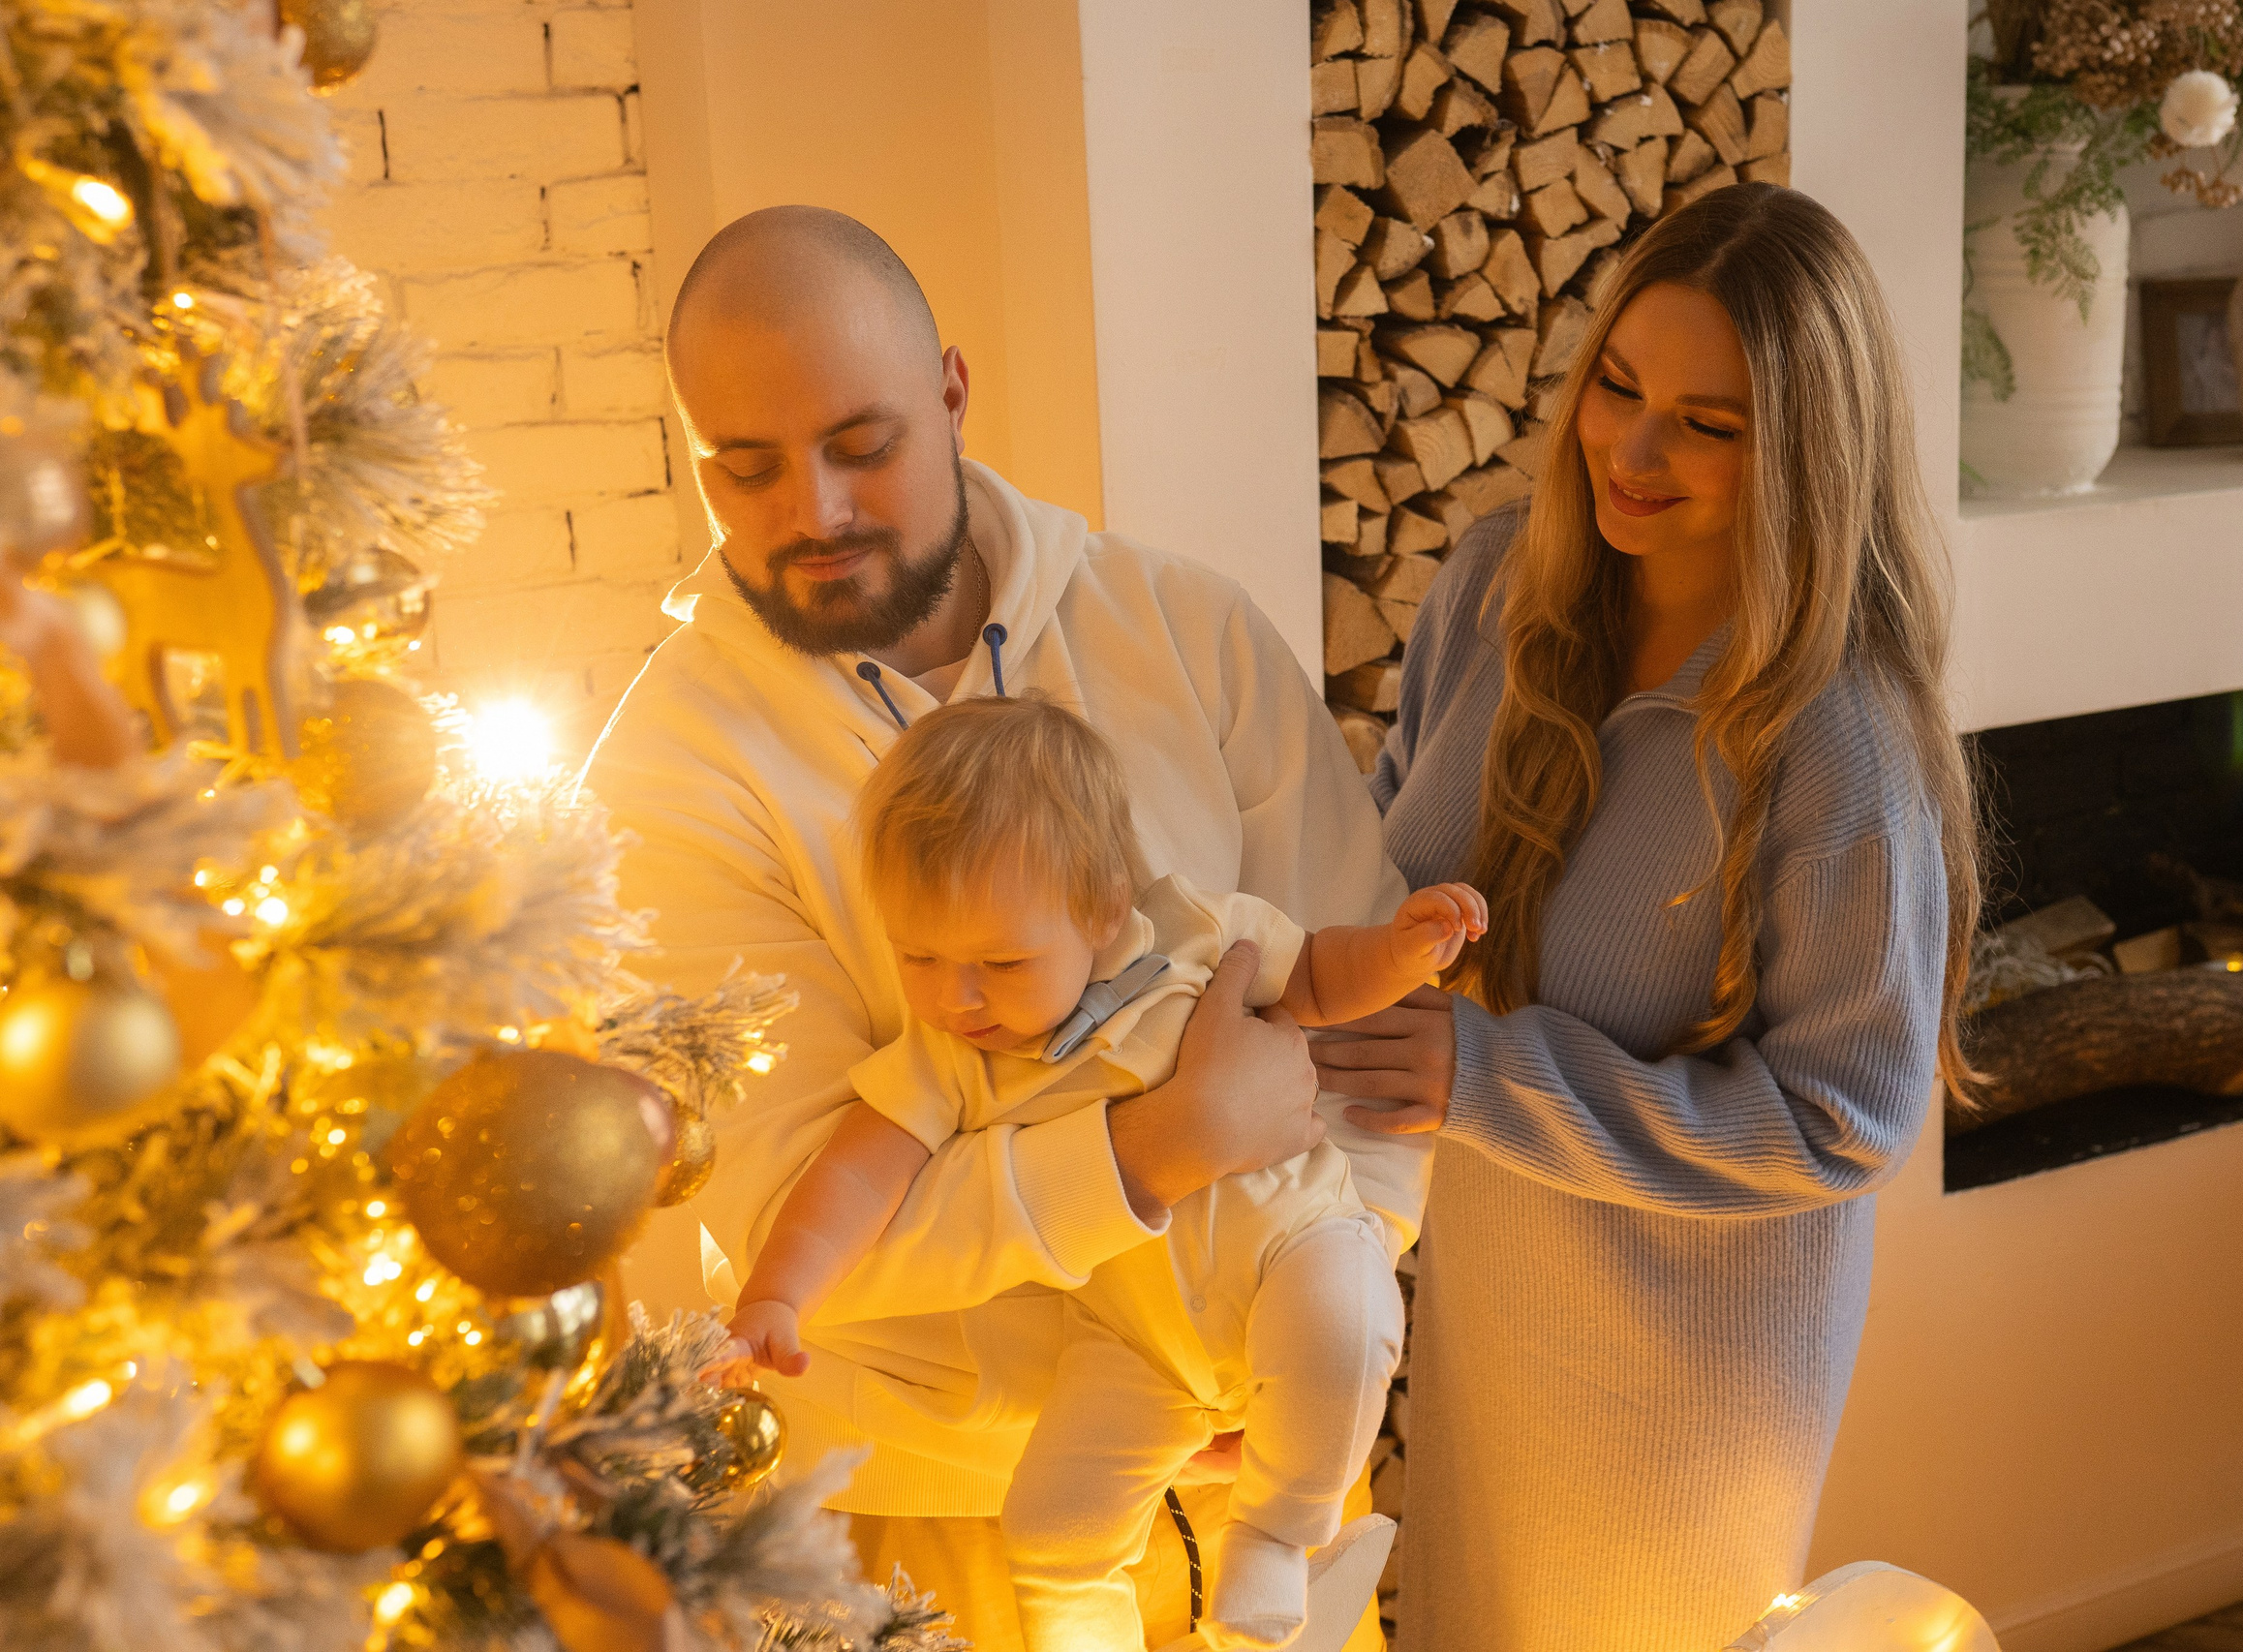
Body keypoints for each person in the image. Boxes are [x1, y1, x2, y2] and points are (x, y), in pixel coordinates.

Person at [584, 206, 1411, 1650]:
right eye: (748, 466)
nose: (815, 511)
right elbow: (802, 1218)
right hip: (930, 1518)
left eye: (864, 443)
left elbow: (1375, 1028)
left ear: (953, 392)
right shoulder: (665, 777)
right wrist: (1150, 1154)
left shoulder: (1184, 627)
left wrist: (1293, 1329)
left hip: (1249, 1472)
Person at [1308, 183, 1982, 1650]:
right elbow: (1381, 850)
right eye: (1617, 386)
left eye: (1709, 423)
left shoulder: (1839, 737)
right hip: (1494, 1298)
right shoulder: (1495, 587)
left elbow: (1846, 1116)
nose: (1632, 447)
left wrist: (1484, 1074)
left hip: (1695, 1372)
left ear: (1807, 454)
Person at [703, 695, 1475, 1650]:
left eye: (1001, 959)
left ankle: (1276, 1542)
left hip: (1295, 1240)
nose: (958, 995)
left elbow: (1319, 976)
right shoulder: (948, 1059)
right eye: (920, 956)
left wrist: (1402, 950)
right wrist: (777, 1291)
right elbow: (857, 1179)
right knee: (1056, 1524)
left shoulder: (1195, 935)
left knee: (1343, 1327)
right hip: (1131, 1337)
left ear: (1104, 907)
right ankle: (1083, 1628)